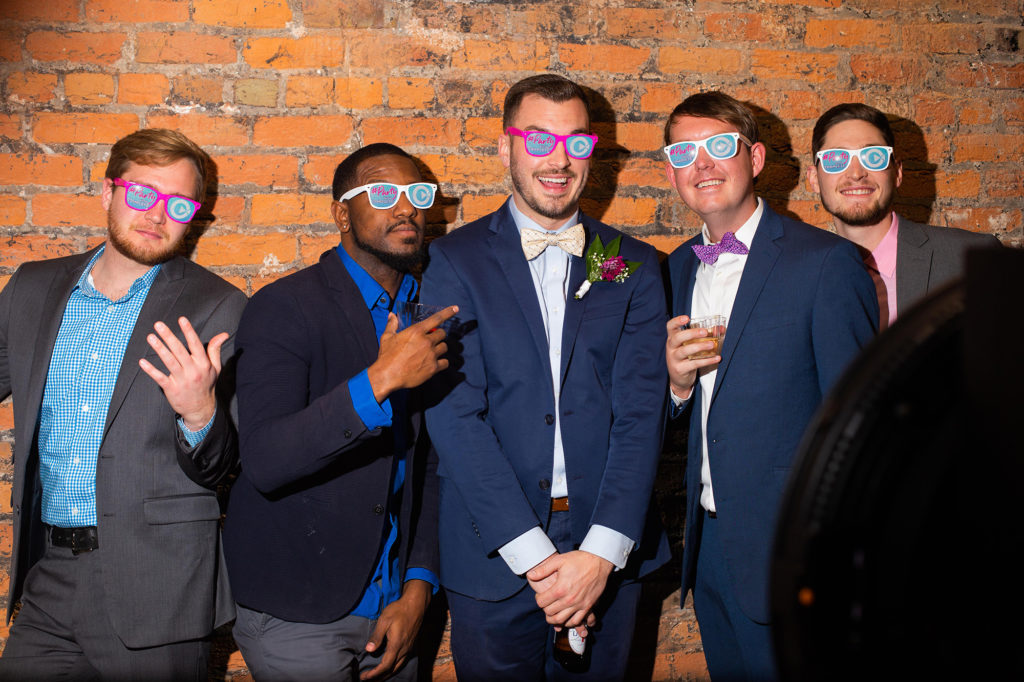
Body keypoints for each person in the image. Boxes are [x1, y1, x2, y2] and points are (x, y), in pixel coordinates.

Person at [420, 73, 670, 681]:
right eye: (537, 140)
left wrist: (600, 554)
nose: (558, 160)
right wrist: (538, 560)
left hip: (607, 546)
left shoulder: (633, 264)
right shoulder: (453, 261)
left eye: (575, 143)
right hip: (494, 548)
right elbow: (454, 416)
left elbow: (642, 414)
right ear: (506, 148)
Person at [0, 128, 246, 680]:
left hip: (158, 588)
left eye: (177, 204)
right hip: (49, 574)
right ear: (108, 193)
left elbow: (227, 465)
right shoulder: (33, 288)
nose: (156, 215)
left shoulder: (218, 306)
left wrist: (199, 412)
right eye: (141, 194)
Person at [662, 92, 878, 679]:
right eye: (686, 151)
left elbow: (860, 427)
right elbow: (677, 412)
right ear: (671, 170)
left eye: (720, 147)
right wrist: (677, 387)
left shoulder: (826, 263)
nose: (702, 163)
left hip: (795, 554)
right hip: (707, 548)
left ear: (755, 158)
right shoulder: (675, 266)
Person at [222, 143, 454, 681]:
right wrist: (381, 380)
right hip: (298, 607)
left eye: (417, 194)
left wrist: (418, 587)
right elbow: (266, 460)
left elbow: (434, 464)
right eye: (382, 193)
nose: (406, 208)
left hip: (395, 603)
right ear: (341, 213)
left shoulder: (430, 310)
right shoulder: (285, 306)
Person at [808, 102, 1002, 329]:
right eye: (836, 158)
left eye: (874, 156)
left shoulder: (971, 261)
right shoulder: (801, 278)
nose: (856, 173)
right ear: (814, 179)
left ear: (897, 173)